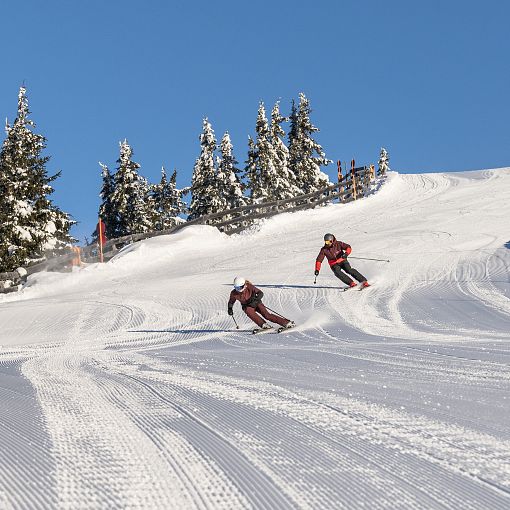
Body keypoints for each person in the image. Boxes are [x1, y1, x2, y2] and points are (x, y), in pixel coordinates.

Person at [228, 276, 295, 331]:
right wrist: (230, 308)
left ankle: (286, 323)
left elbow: (260, 293)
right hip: (247, 306)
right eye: (236, 288)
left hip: (256, 302)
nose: (238, 289)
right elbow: (231, 301)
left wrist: (255, 300)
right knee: (248, 311)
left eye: (239, 287)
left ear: (244, 285)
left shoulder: (249, 287)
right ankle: (263, 324)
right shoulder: (234, 293)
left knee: (267, 315)